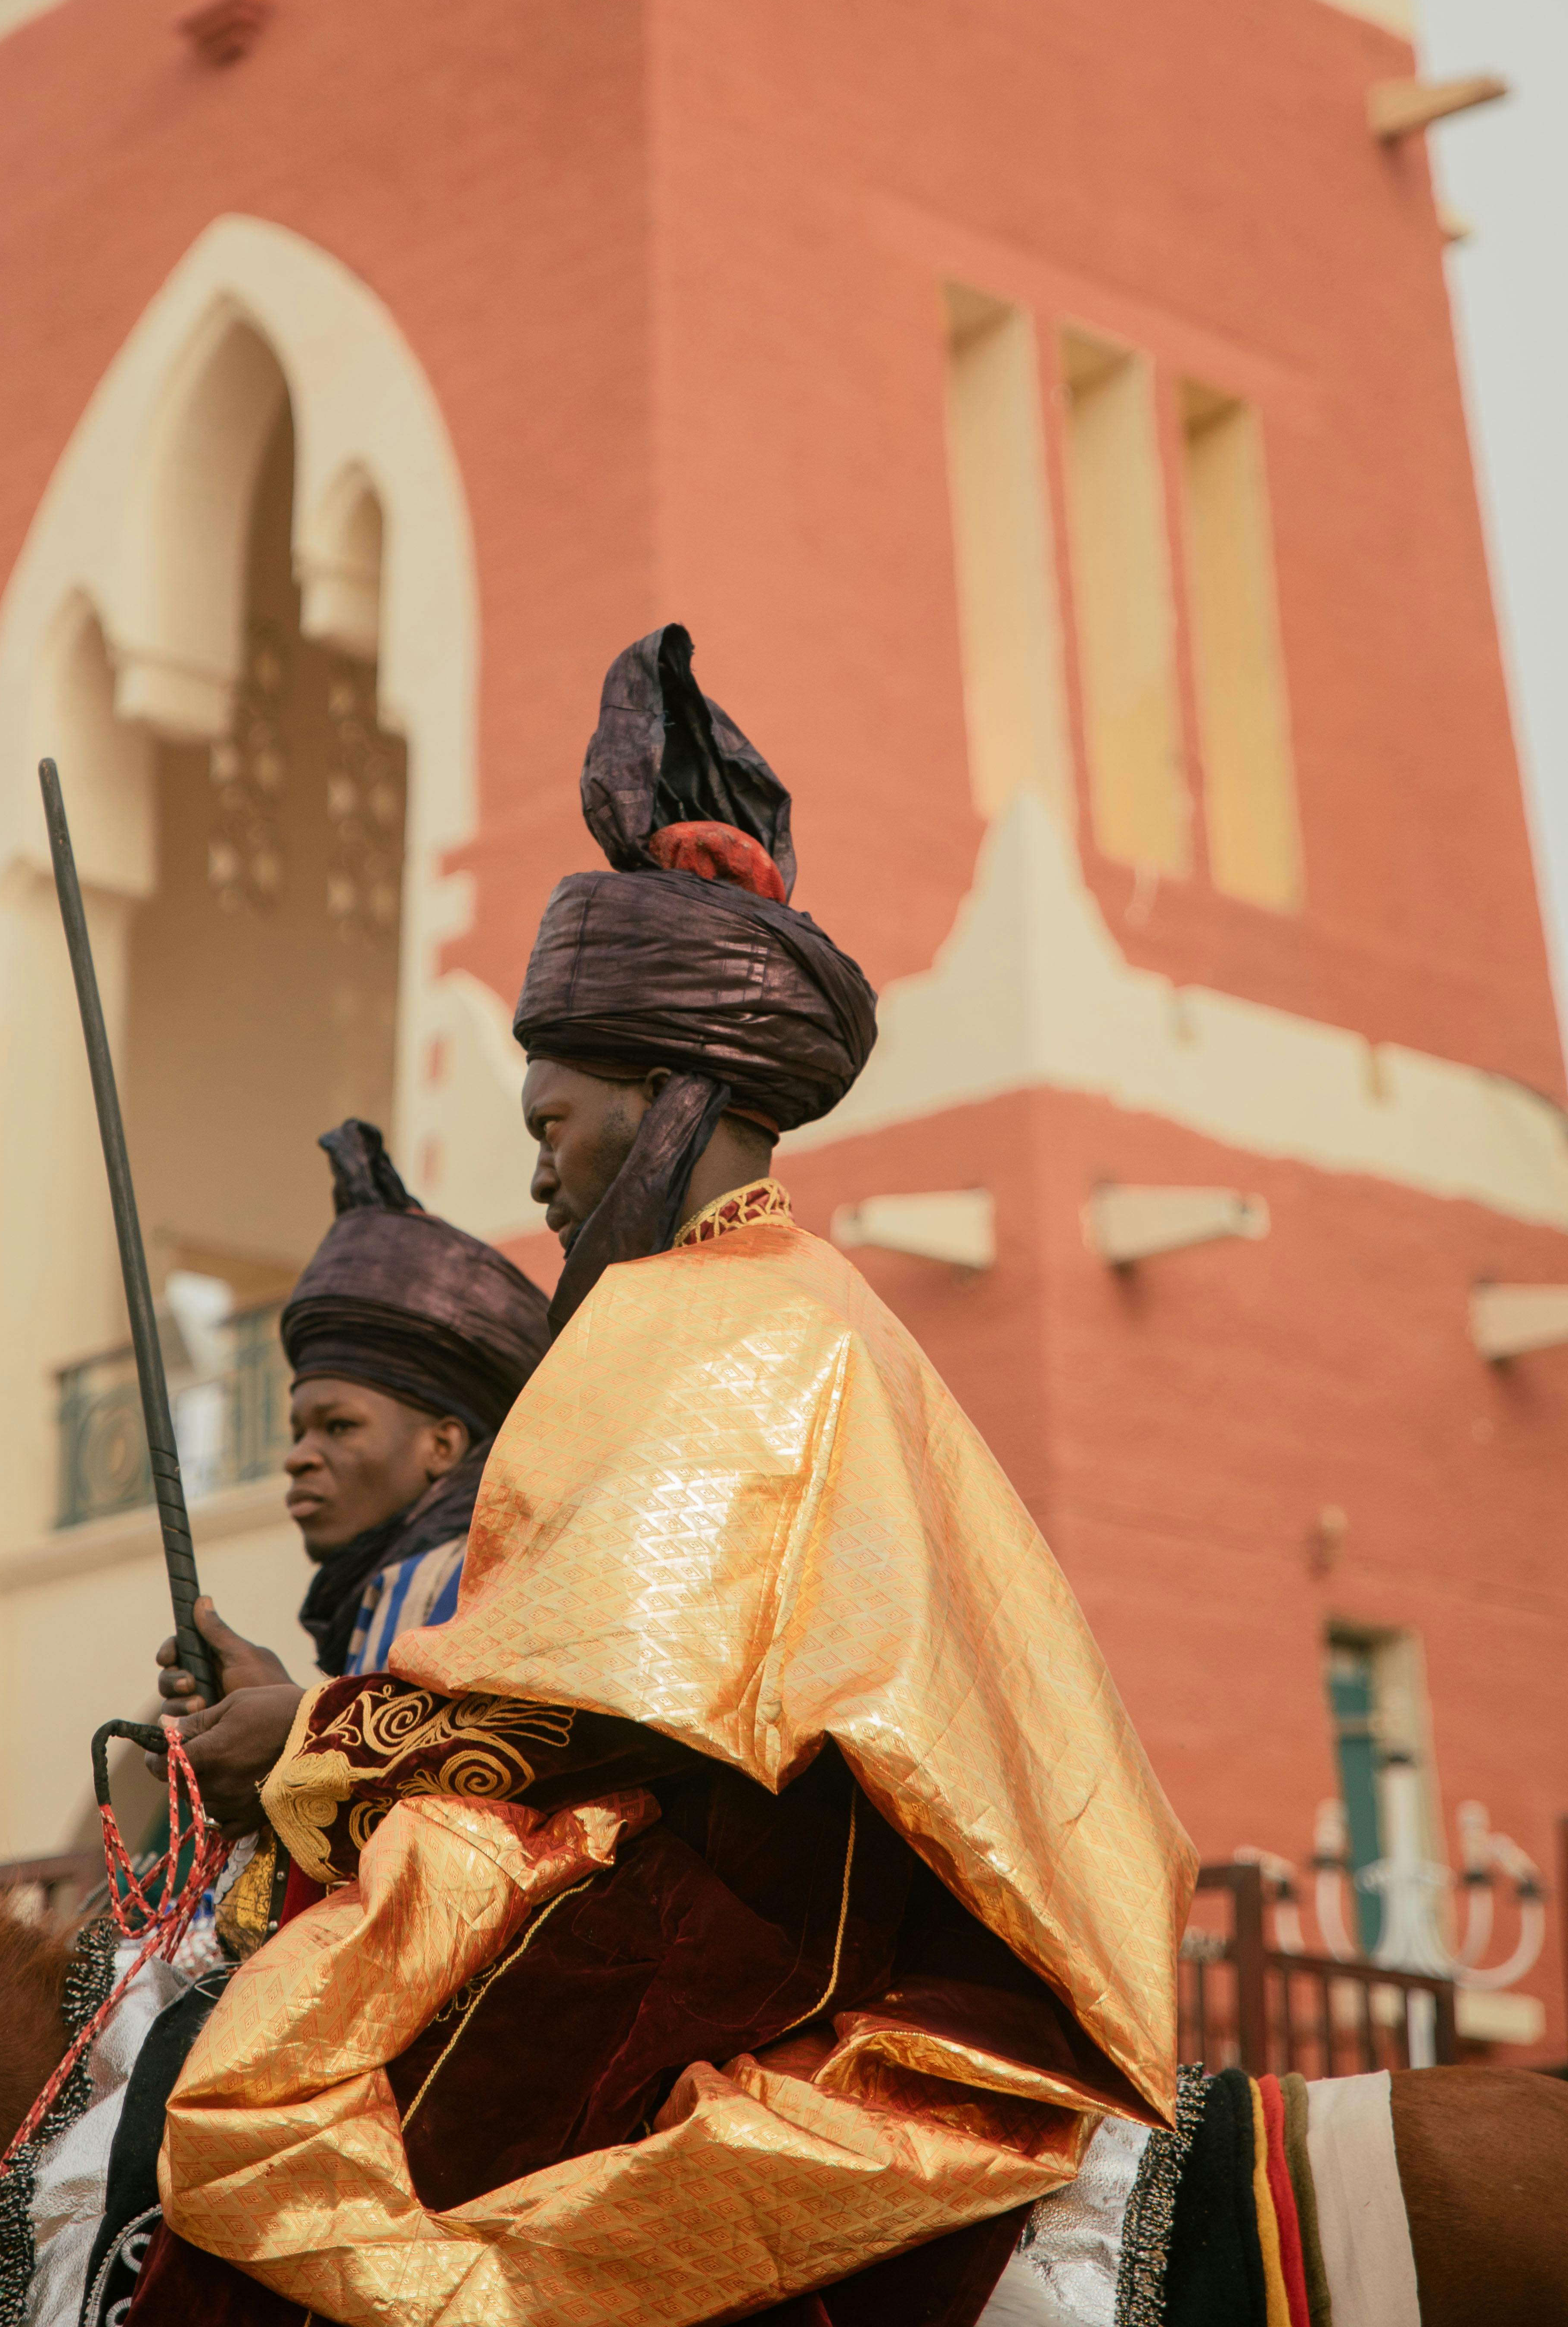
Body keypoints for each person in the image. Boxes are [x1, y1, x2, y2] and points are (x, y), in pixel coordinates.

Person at [150, 626, 1196, 2327]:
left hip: (784, 1921)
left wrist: (312, 1739)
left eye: (554, 1133)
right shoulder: (763, 1309)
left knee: (288, 2117)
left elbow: (568, 1719)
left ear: (659, 1100)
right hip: (738, 1860)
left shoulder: (718, 1327)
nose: (544, 1184)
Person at [152, 1117, 552, 1942]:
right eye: (298, 1432)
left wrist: (301, 1732)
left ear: (442, 1445)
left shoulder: (469, 1576)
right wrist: (278, 1706)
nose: (301, 1459)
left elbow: (469, 1822)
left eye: (338, 1428)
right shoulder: (382, 1594)